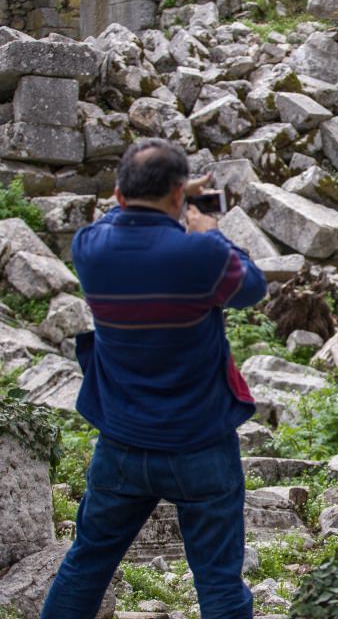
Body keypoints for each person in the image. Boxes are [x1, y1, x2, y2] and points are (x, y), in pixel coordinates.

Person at [41, 139, 267, 619]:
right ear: (178, 195)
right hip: (200, 443)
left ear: (120, 194)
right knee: (220, 583)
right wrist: (208, 227)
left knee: (86, 564)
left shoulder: (89, 248)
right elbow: (252, 287)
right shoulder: (202, 254)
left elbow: (115, 217)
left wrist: (169, 197)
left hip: (122, 444)